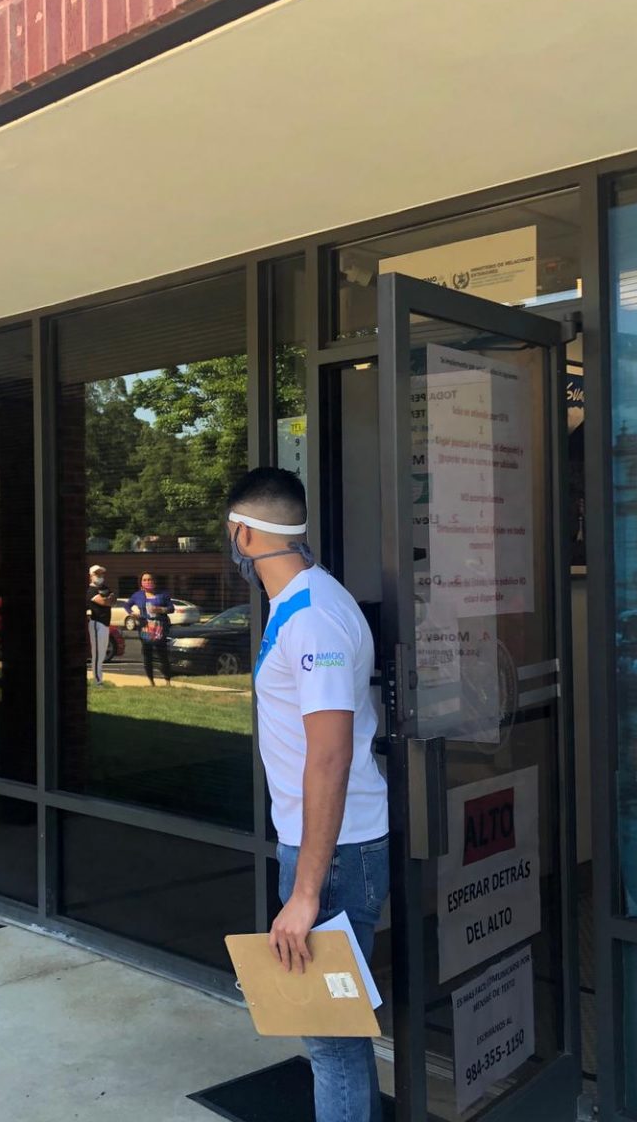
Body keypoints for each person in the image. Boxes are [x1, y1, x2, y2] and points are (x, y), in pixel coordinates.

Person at [226, 467, 389, 1122]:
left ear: (242, 533)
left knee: (331, 1039)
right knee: (337, 1030)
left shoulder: (313, 616)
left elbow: (329, 755)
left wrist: (304, 893)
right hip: (329, 845)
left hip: (334, 853)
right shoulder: (304, 601)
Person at [127, 572, 175, 686]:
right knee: (147, 655)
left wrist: (160, 609)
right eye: (144, 580)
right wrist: (132, 613)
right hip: (145, 628)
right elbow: (127, 605)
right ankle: (151, 682)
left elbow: (171, 608)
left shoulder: (162, 594)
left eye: (149, 579)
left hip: (159, 627)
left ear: (154, 581)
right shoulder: (138, 595)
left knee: (162, 654)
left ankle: (168, 681)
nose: (147, 582)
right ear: (141, 582)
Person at [86, 565, 115, 684]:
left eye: (101, 574)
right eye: (97, 574)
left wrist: (108, 599)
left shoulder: (105, 588)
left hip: (105, 623)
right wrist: (108, 599)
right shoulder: (90, 590)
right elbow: (104, 602)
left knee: (102, 652)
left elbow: (113, 600)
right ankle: (98, 680)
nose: (100, 576)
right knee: (97, 652)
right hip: (96, 623)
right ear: (91, 576)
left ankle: (99, 678)